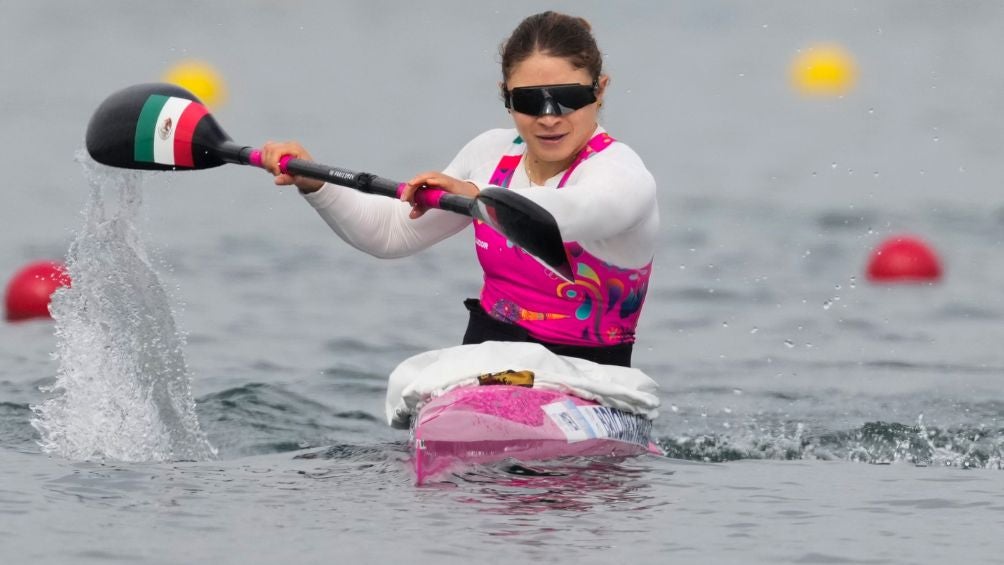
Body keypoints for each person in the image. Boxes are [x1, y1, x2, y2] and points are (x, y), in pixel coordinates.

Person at [260, 11, 658, 367]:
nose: (549, 117)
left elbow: (566, 213)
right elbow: (390, 234)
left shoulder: (621, 174)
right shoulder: (489, 154)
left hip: (590, 385)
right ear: (506, 97)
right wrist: (317, 185)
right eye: (529, 101)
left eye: (568, 98)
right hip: (483, 373)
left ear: (600, 89)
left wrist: (473, 194)